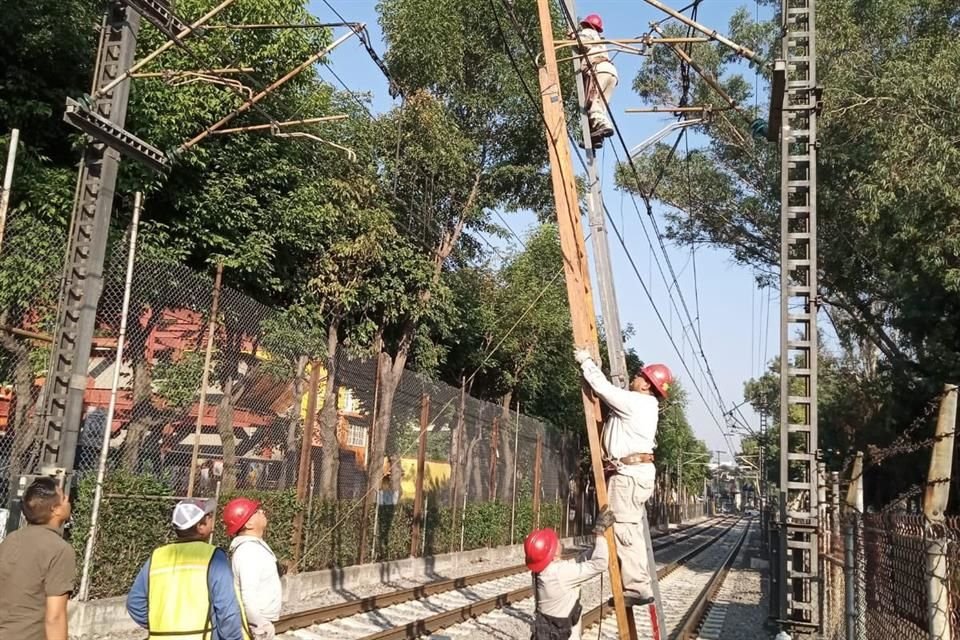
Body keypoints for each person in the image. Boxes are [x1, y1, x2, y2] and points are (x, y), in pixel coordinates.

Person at [574, 348, 673, 607]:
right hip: (632, 473)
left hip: (629, 475)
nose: (636, 376)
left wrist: (586, 362)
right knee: (628, 527)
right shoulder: (643, 404)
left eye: (641, 375)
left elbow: (604, 389)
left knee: (624, 530)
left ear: (645, 385)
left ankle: (637, 587)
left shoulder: (638, 402)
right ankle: (633, 581)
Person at [127, 498, 251, 640]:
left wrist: (162, 627)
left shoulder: (157, 556)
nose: (212, 519)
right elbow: (227, 611)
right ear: (200, 526)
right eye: (209, 516)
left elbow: (135, 604)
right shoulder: (213, 556)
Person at [0, 477, 74, 640]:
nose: (67, 499)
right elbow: (55, 617)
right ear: (55, 509)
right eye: (63, 497)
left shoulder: (11, 539)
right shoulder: (60, 550)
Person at [525, 508, 616, 640]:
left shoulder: (540, 572)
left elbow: (575, 563)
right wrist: (600, 533)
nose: (558, 541)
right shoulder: (560, 574)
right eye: (555, 541)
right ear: (552, 552)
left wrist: (597, 546)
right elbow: (600, 563)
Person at [223, 498, 282, 640]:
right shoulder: (249, 551)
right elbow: (248, 594)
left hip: (256, 620)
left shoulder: (252, 546)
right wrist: (259, 626)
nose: (262, 511)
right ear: (248, 524)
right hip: (256, 623)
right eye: (256, 511)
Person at [572, 13, 617, 147]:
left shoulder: (588, 32)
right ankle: (596, 137)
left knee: (592, 101)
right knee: (600, 106)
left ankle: (604, 125)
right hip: (611, 73)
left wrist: (573, 36)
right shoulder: (601, 41)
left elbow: (582, 41)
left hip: (598, 70)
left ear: (587, 25)